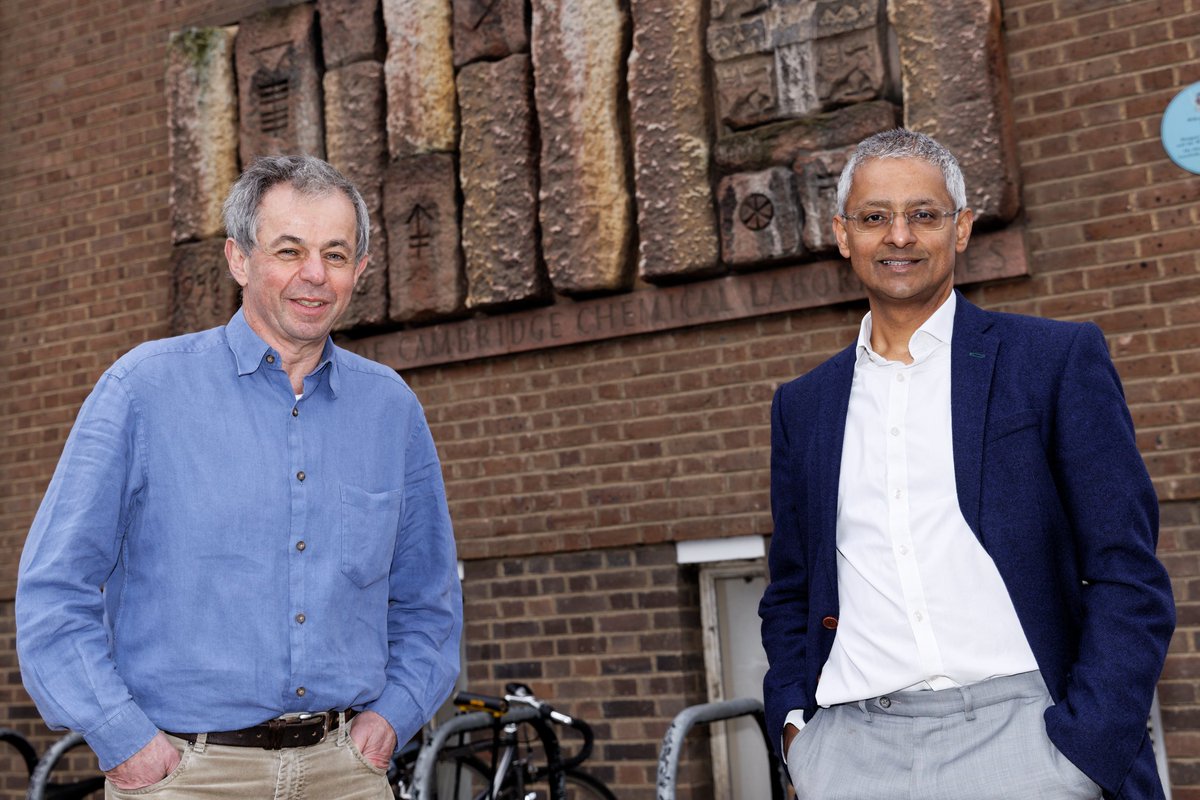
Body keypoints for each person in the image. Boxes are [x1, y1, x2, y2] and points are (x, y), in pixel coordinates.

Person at [16, 155, 463, 798]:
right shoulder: (143, 391)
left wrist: (394, 716)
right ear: (239, 259)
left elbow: (428, 601)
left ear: (360, 271)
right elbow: (55, 591)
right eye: (289, 250)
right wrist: (123, 738)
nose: (314, 275)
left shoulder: (391, 410)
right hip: (186, 776)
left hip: (346, 774)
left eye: (336, 255)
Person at [759, 129, 1175, 800]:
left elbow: (1127, 569)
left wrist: (1086, 747)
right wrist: (796, 736)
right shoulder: (803, 407)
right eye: (875, 217)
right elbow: (790, 590)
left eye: (923, 214)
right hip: (853, 754)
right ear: (842, 234)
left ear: (960, 229)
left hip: (1029, 744)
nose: (899, 235)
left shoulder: (1051, 361)